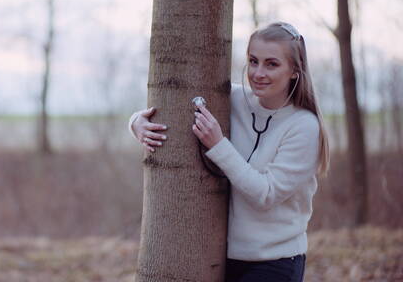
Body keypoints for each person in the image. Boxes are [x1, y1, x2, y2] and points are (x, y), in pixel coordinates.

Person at [128, 22, 329, 282]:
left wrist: (218, 145)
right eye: (253, 61)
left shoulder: (304, 126)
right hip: (224, 260)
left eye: (272, 64)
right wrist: (136, 123)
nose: (258, 73)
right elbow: (172, 105)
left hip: (276, 263)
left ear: (294, 70)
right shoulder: (234, 99)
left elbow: (265, 194)